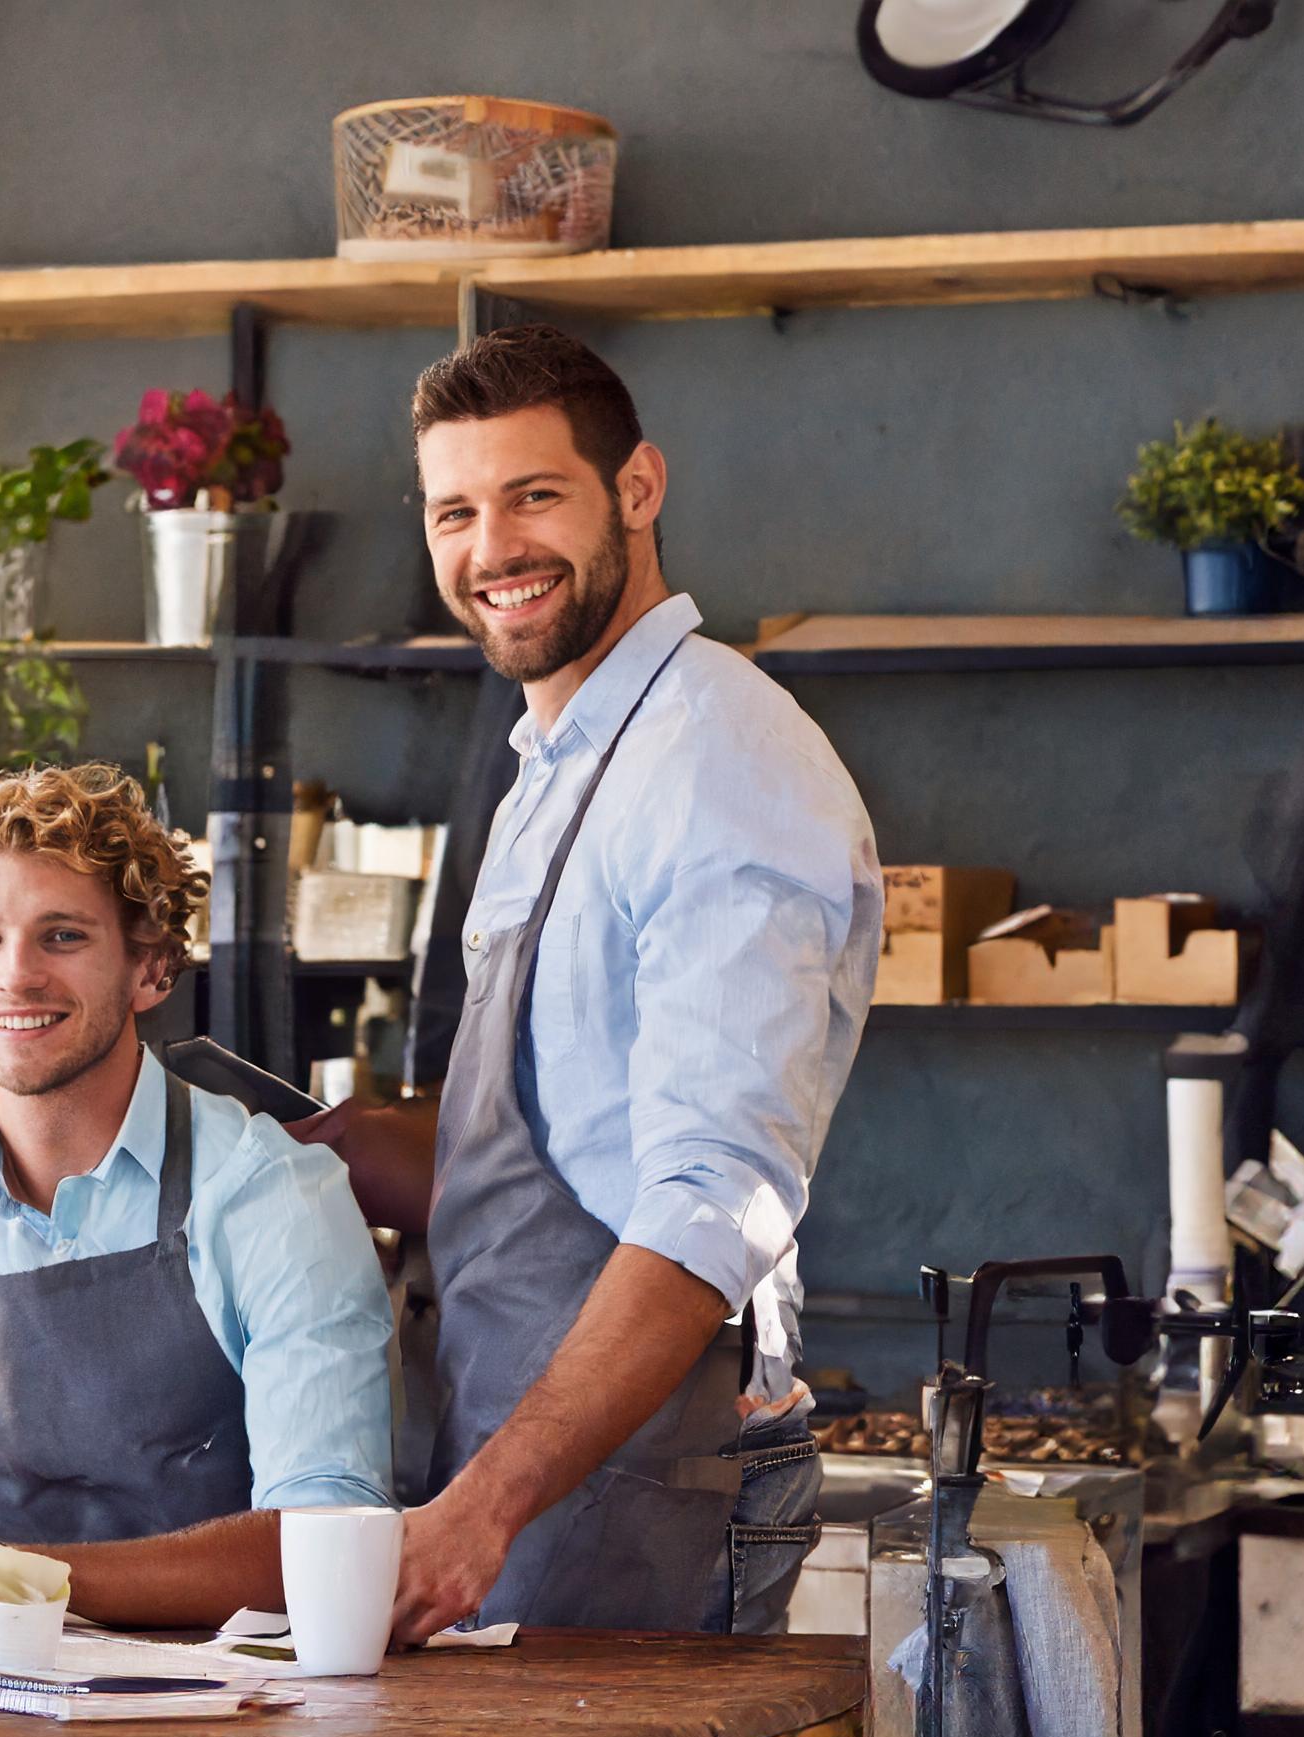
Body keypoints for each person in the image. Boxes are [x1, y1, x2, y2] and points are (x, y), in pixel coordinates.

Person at [293, 324, 882, 1643]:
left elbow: (709, 1200)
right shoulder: (556, 760)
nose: (491, 549)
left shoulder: (715, 759)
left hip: (635, 1495)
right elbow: (571, 1150)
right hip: (538, 1476)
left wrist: (481, 1509)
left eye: (534, 497)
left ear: (638, 489)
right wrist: (339, 1155)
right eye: (456, 510)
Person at [0, 762, 393, 1629]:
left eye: (61, 936)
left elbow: (324, 1546)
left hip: (240, 1712)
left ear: (148, 968)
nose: (14, 976)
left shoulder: (271, 1196)